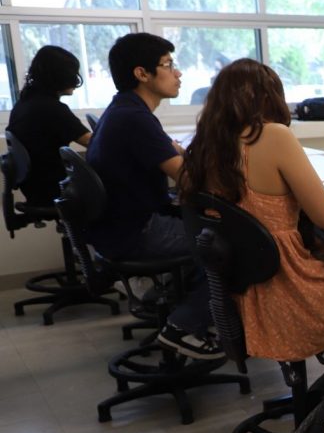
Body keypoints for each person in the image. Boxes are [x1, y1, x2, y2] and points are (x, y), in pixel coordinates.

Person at [180, 58, 324, 362]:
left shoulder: (206, 145)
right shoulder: (272, 135)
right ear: (268, 97)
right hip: (291, 288)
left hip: (241, 291)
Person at [85, 32, 222, 360]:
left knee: (208, 229)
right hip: (136, 231)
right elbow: (188, 179)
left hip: (117, 227)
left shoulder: (124, 110)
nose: (178, 73)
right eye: (169, 65)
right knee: (231, 245)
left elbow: (173, 155)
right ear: (141, 73)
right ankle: (183, 327)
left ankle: (173, 301)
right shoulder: (134, 119)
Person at [5, 46, 92, 207]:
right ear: (59, 76)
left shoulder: (24, 103)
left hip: (35, 189)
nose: (76, 79)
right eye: (72, 73)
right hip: (56, 190)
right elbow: (93, 143)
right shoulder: (52, 109)